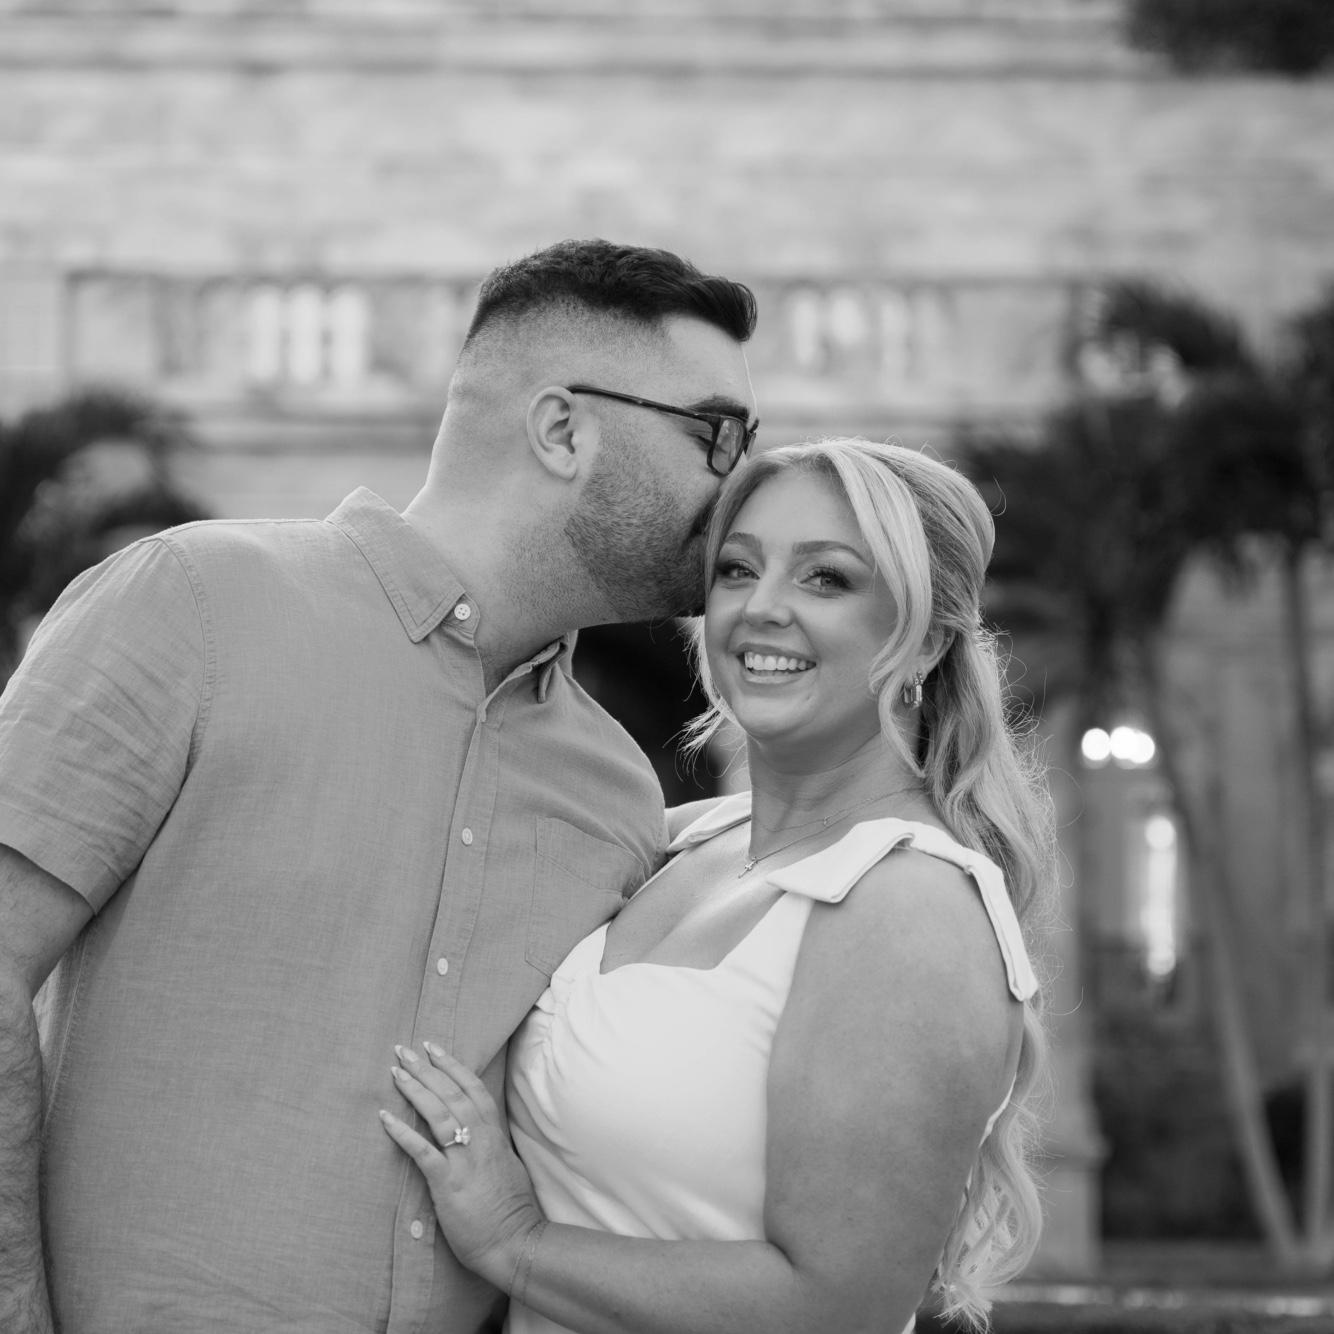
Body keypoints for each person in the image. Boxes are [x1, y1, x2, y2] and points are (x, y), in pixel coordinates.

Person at [0, 238, 759, 1334]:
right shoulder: (196, 604)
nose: (744, 483)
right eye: (718, 436)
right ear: (562, 429)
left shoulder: (616, 790)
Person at [380, 438, 1057, 1334]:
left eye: (826, 579)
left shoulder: (908, 907)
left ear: (925, 640)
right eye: (738, 569)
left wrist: (515, 1242)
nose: (760, 607)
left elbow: (837, 1311)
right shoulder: (681, 841)